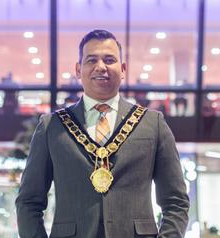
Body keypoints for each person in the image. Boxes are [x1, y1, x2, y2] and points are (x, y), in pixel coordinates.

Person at [16, 29, 189, 237]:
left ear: (123, 69)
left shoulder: (153, 124)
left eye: (109, 60)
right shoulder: (51, 126)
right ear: (78, 70)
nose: (101, 67)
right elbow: (28, 202)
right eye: (91, 60)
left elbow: (176, 201)